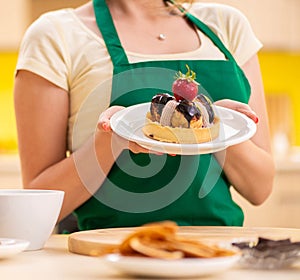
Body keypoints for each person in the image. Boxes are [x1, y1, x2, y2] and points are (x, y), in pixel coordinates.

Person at [14, 0, 275, 231]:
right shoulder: (55, 35)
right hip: (106, 258)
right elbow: (38, 207)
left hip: (218, 253)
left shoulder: (227, 25)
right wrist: (109, 142)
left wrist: (218, 126)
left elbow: (260, 189)